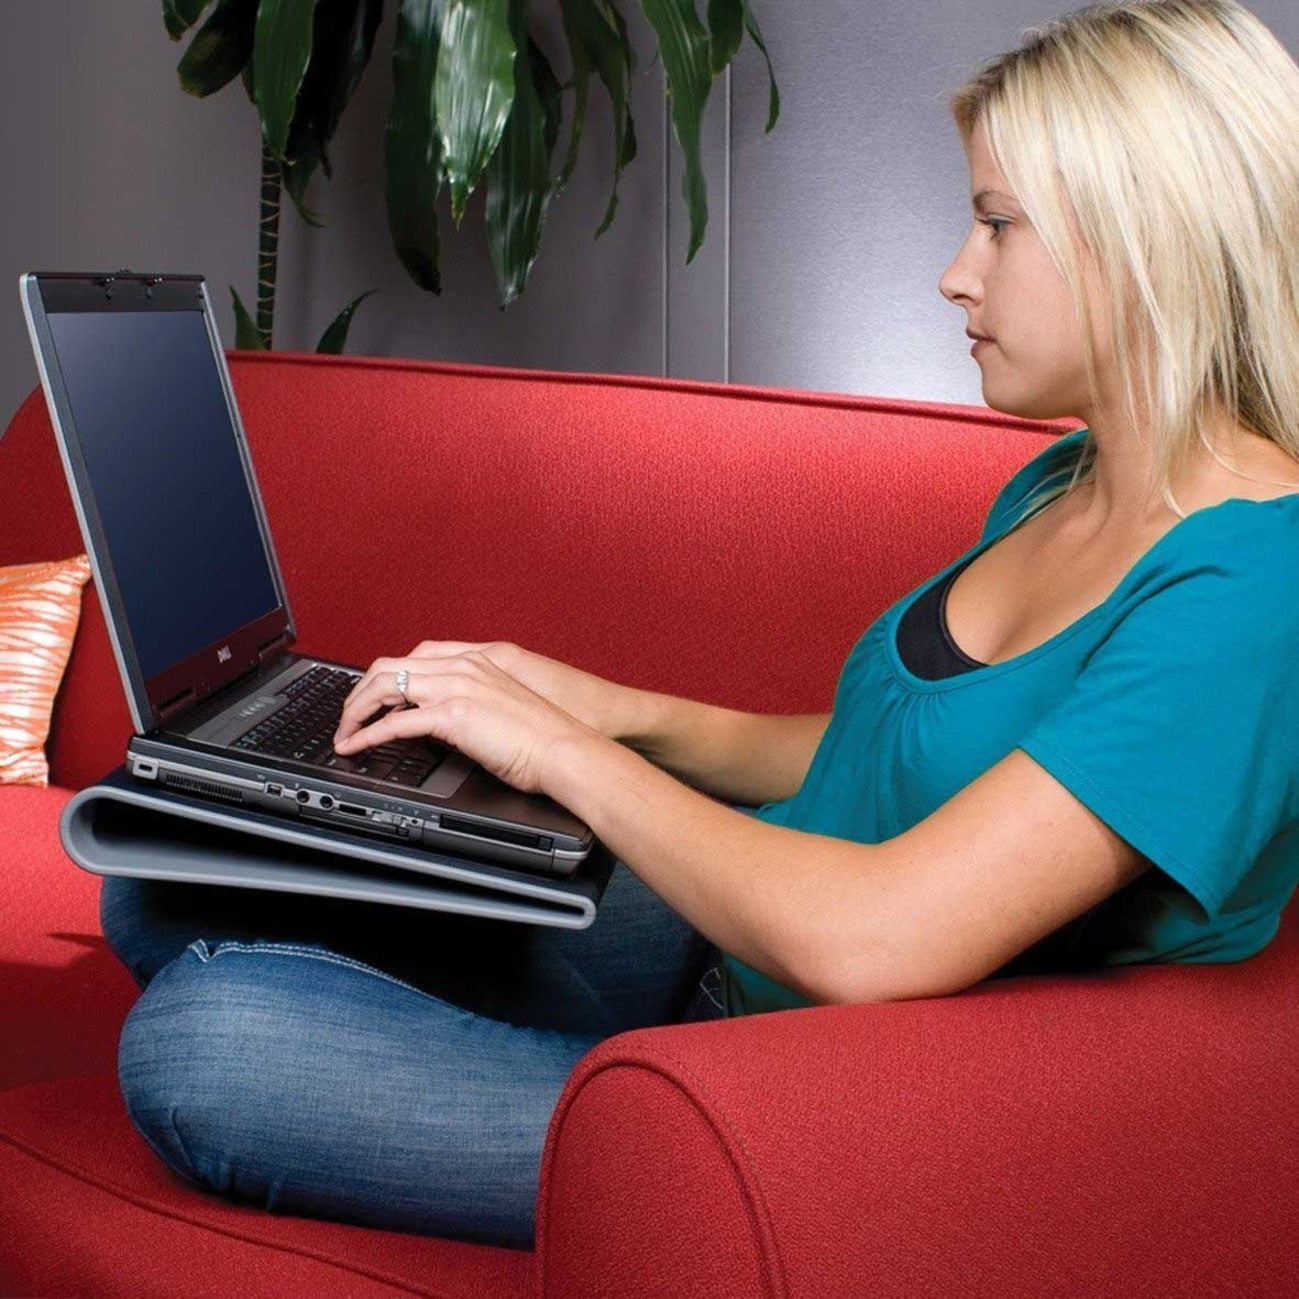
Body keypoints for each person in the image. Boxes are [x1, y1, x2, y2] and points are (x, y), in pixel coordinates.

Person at [104, 0, 1299, 1252]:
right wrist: (608, 710)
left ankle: (581, 1065)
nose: (957, 270)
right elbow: (891, 753)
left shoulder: (1248, 589)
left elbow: (880, 936)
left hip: (815, 1096)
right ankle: (545, 1023)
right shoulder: (1072, 478)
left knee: (201, 1038)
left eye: (998, 224)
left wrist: (573, 759)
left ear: (1149, 237)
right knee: (167, 880)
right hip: (728, 944)